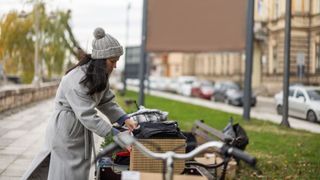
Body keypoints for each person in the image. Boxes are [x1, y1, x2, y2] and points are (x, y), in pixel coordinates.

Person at [22, 27, 137, 180]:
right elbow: (88, 116)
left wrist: (124, 118)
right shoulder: (76, 79)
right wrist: (117, 136)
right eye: (113, 61)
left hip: (79, 129)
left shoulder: (98, 75)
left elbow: (106, 101)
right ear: (102, 60)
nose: (115, 66)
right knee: (65, 174)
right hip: (66, 131)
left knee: (76, 173)